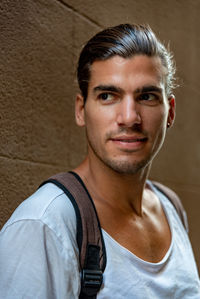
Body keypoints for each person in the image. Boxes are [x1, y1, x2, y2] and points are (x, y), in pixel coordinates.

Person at [0, 24, 199, 299]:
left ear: (170, 112)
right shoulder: (44, 226)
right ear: (81, 110)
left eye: (147, 96)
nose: (129, 117)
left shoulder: (171, 207)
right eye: (108, 96)